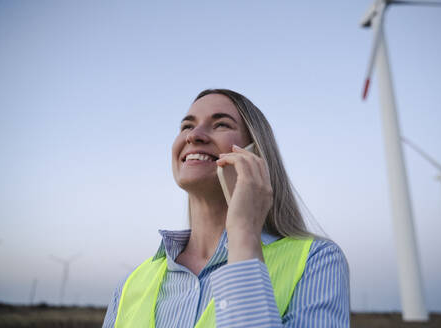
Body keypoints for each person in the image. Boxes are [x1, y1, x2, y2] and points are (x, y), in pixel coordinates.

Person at [102, 89, 350, 327]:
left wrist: (243, 232)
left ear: (255, 153)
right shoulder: (129, 287)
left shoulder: (317, 261)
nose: (193, 135)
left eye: (221, 124)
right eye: (187, 126)